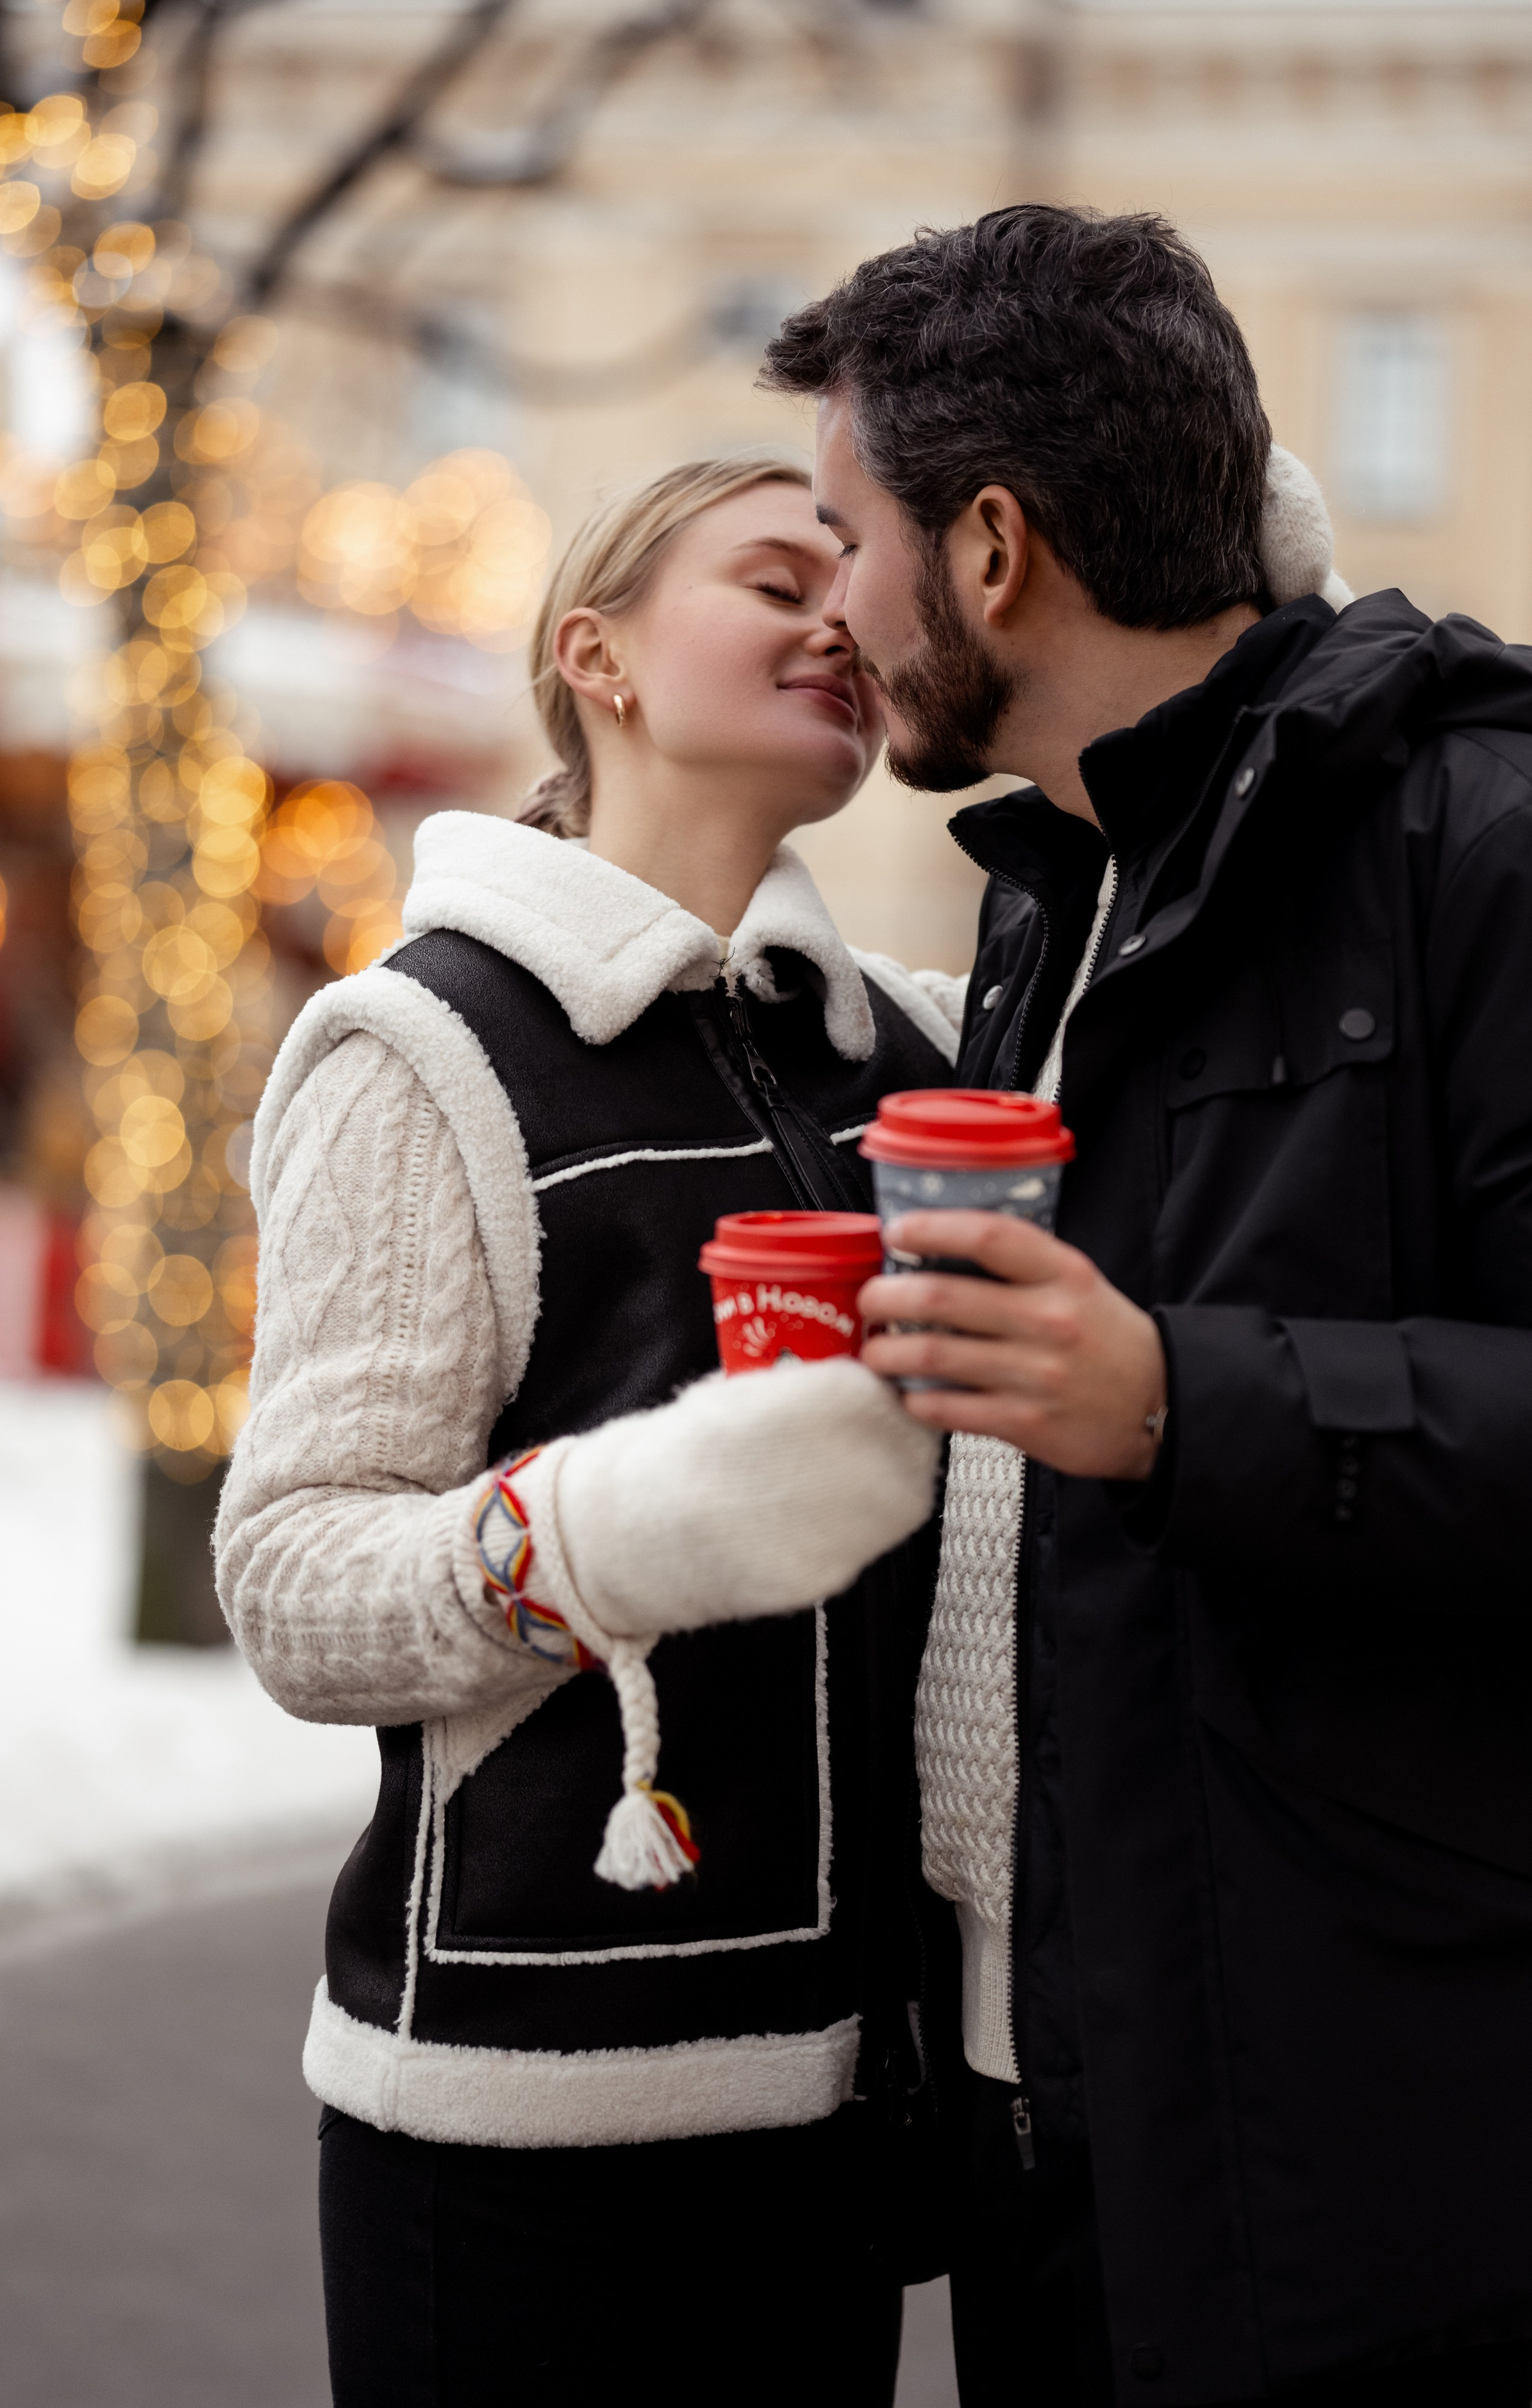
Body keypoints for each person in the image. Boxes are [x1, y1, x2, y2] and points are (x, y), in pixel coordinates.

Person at [763, 207, 1532, 2407]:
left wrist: (1178, 1398)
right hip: (1045, 2091)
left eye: (848, 535)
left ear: (990, 548)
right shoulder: (1063, 883)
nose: (838, 609)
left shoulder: (1507, 827)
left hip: (1341, 2136)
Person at [214, 453, 964, 2406]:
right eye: (772, 573)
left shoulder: (911, 1045)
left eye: (855, 578)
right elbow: (294, 1578)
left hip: (842, 2101)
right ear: (597, 653)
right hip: (515, 2132)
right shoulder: (425, 1046)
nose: (838, 618)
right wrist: (606, 1528)